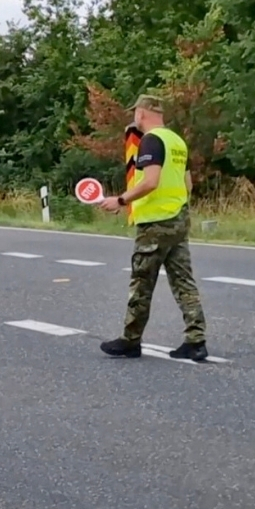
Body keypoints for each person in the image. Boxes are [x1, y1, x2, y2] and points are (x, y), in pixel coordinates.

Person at [97, 94, 209, 362]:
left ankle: (130, 340)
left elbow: (151, 181)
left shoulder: (151, 141)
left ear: (142, 112)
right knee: (184, 281)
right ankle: (196, 341)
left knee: (141, 282)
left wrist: (120, 200)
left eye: (135, 112)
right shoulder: (176, 141)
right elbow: (188, 184)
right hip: (179, 218)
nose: (134, 117)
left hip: (156, 223)